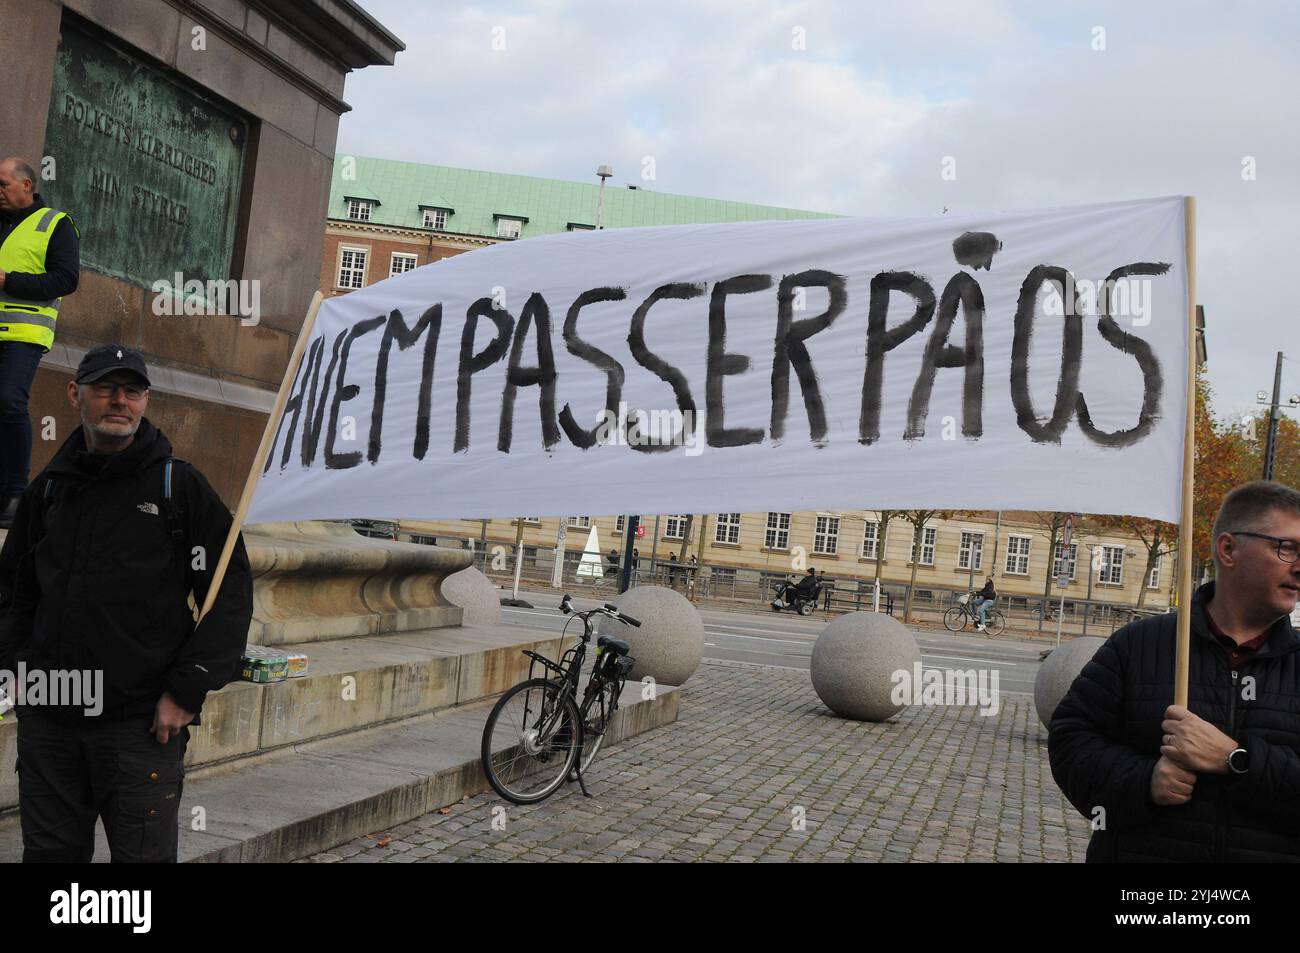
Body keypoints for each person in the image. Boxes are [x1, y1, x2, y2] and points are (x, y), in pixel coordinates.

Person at [0, 344, 254, 863]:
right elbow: (13, 594)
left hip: (138, 729)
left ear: (145, 400)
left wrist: (187, 688)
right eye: (104, 388)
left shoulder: (177, 488)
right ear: (76, 394)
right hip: (49, 726)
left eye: (132, 390)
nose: (119, 400)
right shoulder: (48, 491)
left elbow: (228, 595)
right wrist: (16, 673)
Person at [1049, 481, 1300, 862]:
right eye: (1286, 548)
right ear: (1228, 548)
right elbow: (1071, 742)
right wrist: (1144, 781)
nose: (1299, 566)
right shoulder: (1138, 645)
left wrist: (1237, 760)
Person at [0, 157, 80, 528]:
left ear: (27, 185)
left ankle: (15, 494)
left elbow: (65, 279)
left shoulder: (55, 224)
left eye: (3, 184)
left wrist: (8, 281)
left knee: (9, 401)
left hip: (24, 334)